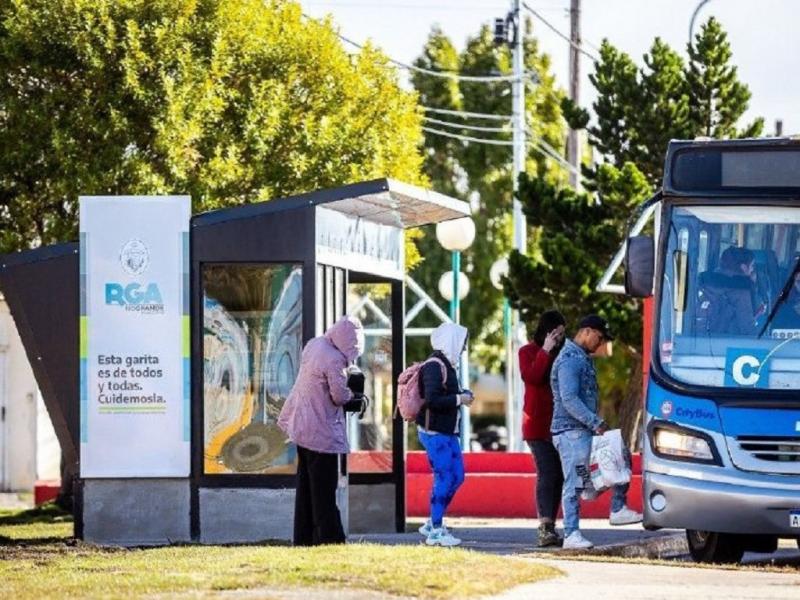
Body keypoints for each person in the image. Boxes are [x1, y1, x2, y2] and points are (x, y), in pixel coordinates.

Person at [550, 314, 642, 550]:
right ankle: (571, 534)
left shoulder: (581, 357)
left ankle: (618, 507)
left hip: (583, 429)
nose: (599, 345)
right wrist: (595, 422)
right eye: (599, 339)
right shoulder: (570, 359)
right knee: (575, 482)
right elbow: (569, 399)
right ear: (587, 331)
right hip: (571, 431)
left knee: (620, 455)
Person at [278, 315, 367, 546]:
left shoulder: (315, 344)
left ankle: (304, 539)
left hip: (301, 424)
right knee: (324, 491)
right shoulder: (335, 359)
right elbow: (338, 396)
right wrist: (355, 396)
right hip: (320, 432)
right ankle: (331, 539)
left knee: (306, 488)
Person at [416, 322, 474, 547]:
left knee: (457, 476)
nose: (463, 349)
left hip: (449, 432)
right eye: (461, 344)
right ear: (451, 342)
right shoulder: (433, 365)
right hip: (435, 432)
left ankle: (433, 522)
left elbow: (446, 393)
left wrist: (461, 395)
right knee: (444, 478)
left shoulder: (448, 365)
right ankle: (436, 530)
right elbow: (432, 399)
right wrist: (460, 399)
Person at [519, 309, 566, 547]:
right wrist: (545, 350)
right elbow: (533, 377)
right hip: (537, 425)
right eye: (555, 334)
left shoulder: (564, 354)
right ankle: (544, 526)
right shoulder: (527, 352)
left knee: (559, 475)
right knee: (547, 473)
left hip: (560, 424)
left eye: (561, 335)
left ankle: (552, 525)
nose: (559, 339)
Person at [698, 246, 757, 335]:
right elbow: (747, 328)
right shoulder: (740, 291)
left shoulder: (703, 284)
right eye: (752, 266)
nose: (753, 270)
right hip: (727, 342)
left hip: (699, 340)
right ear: (744, 267)